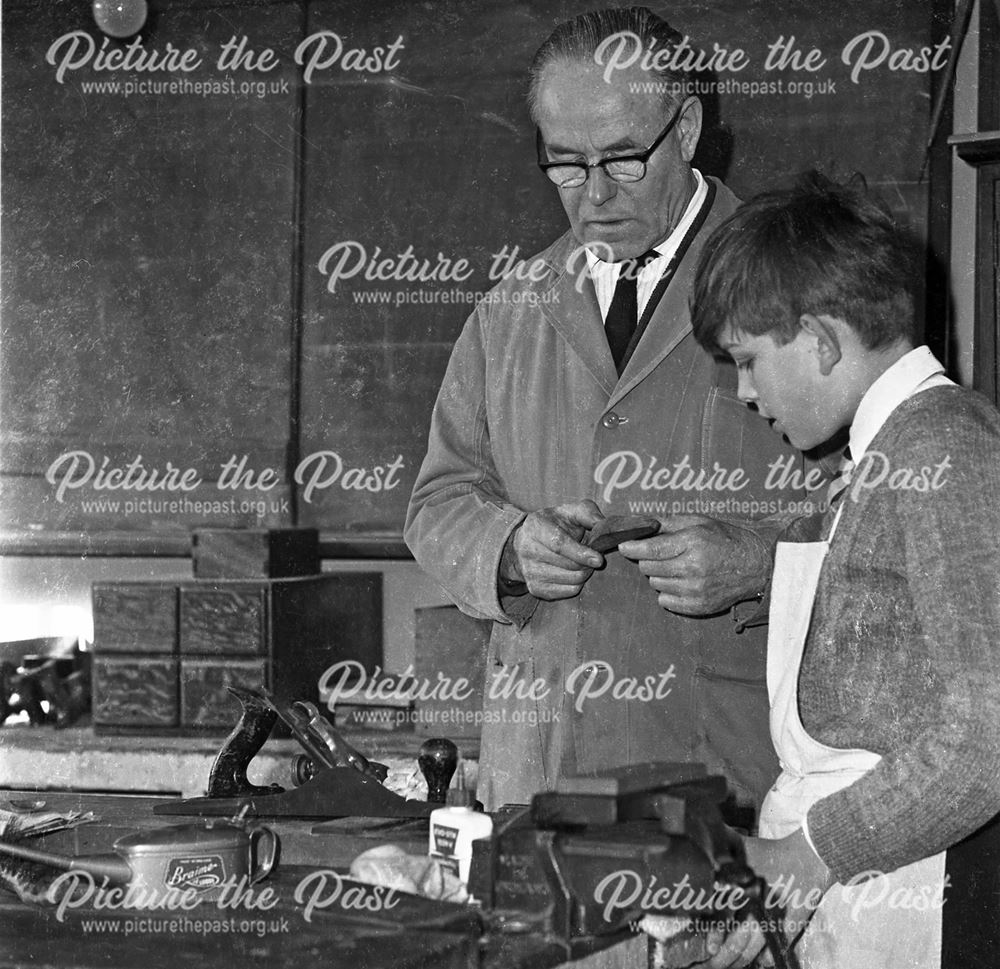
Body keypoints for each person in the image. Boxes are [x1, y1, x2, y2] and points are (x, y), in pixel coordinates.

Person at [405, 7, 810, 814]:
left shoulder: (800, 285)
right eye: (564, 165)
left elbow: (887, 523)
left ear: (687, 129)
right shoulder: (510, 308)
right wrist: (510, 546)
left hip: (723, 774)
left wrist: (767, 565)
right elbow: (437, 503)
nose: (592, 196)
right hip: (540, 778)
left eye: (624, 160)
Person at [685, 171, 1000, 968]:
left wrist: (806, 857)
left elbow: (989, 732)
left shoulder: (941, 449)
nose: (745, 392)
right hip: (867, 893)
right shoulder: (889, 453)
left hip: (916, 899)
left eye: (749, 360)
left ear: (822, 340)